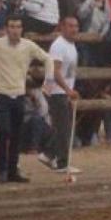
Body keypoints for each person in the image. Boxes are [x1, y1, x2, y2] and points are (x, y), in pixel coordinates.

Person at [0, 16, 55, 184]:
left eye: (18, 27)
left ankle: (12, 170)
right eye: (12, 27)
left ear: (22, 29)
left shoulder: (28, 46)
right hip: (1, 93)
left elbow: (47, 59)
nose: (15, 30)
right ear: (7, 29)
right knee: (5, 130)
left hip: (19, 94)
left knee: (16, 134)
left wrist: (49, 81)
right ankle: (1, 169)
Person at [36, 16, 81, 174]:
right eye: (70, 26)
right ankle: (62, 162)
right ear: (62, 27)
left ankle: (49, 154)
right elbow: (55, 71)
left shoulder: (71, 45)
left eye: (76, 26)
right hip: (57, 91)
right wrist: (67, 89)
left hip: (64, 90)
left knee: (64, 127)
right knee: (63, 128)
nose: (74, 29)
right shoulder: (59, 45)